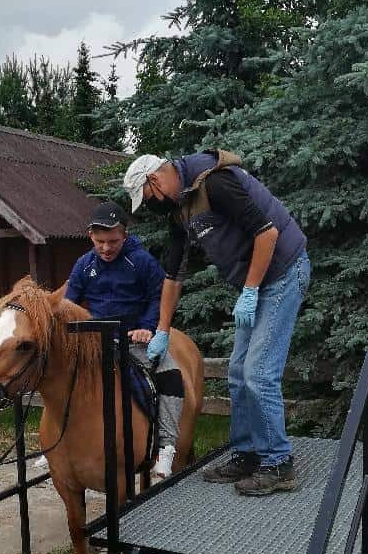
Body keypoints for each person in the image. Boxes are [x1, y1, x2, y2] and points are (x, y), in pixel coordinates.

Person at [123, 151, 310, 495]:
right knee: (237, 373)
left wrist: (250, 291)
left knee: (258, 373)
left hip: (284, 272)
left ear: (155, 180)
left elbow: (267, 234)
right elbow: (173, 276)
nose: (150, 206)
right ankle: (248, 454)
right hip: (258, 282)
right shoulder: (180, 209)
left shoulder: (215, 183)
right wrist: (162, 330)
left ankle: (279, 464)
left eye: (148, 198)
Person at [65, 200, 185, 478]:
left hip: (135, 338)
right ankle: (62, 444)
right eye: (100, 242)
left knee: (170, 374)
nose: (106, 248)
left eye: (113, 241)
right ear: (90, 236)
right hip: (96, 341)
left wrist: (147, 328)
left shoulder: (141, 261)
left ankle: (166, 446)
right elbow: (69, 304)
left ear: (124, 235)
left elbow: (159, 296)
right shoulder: (83, 265)